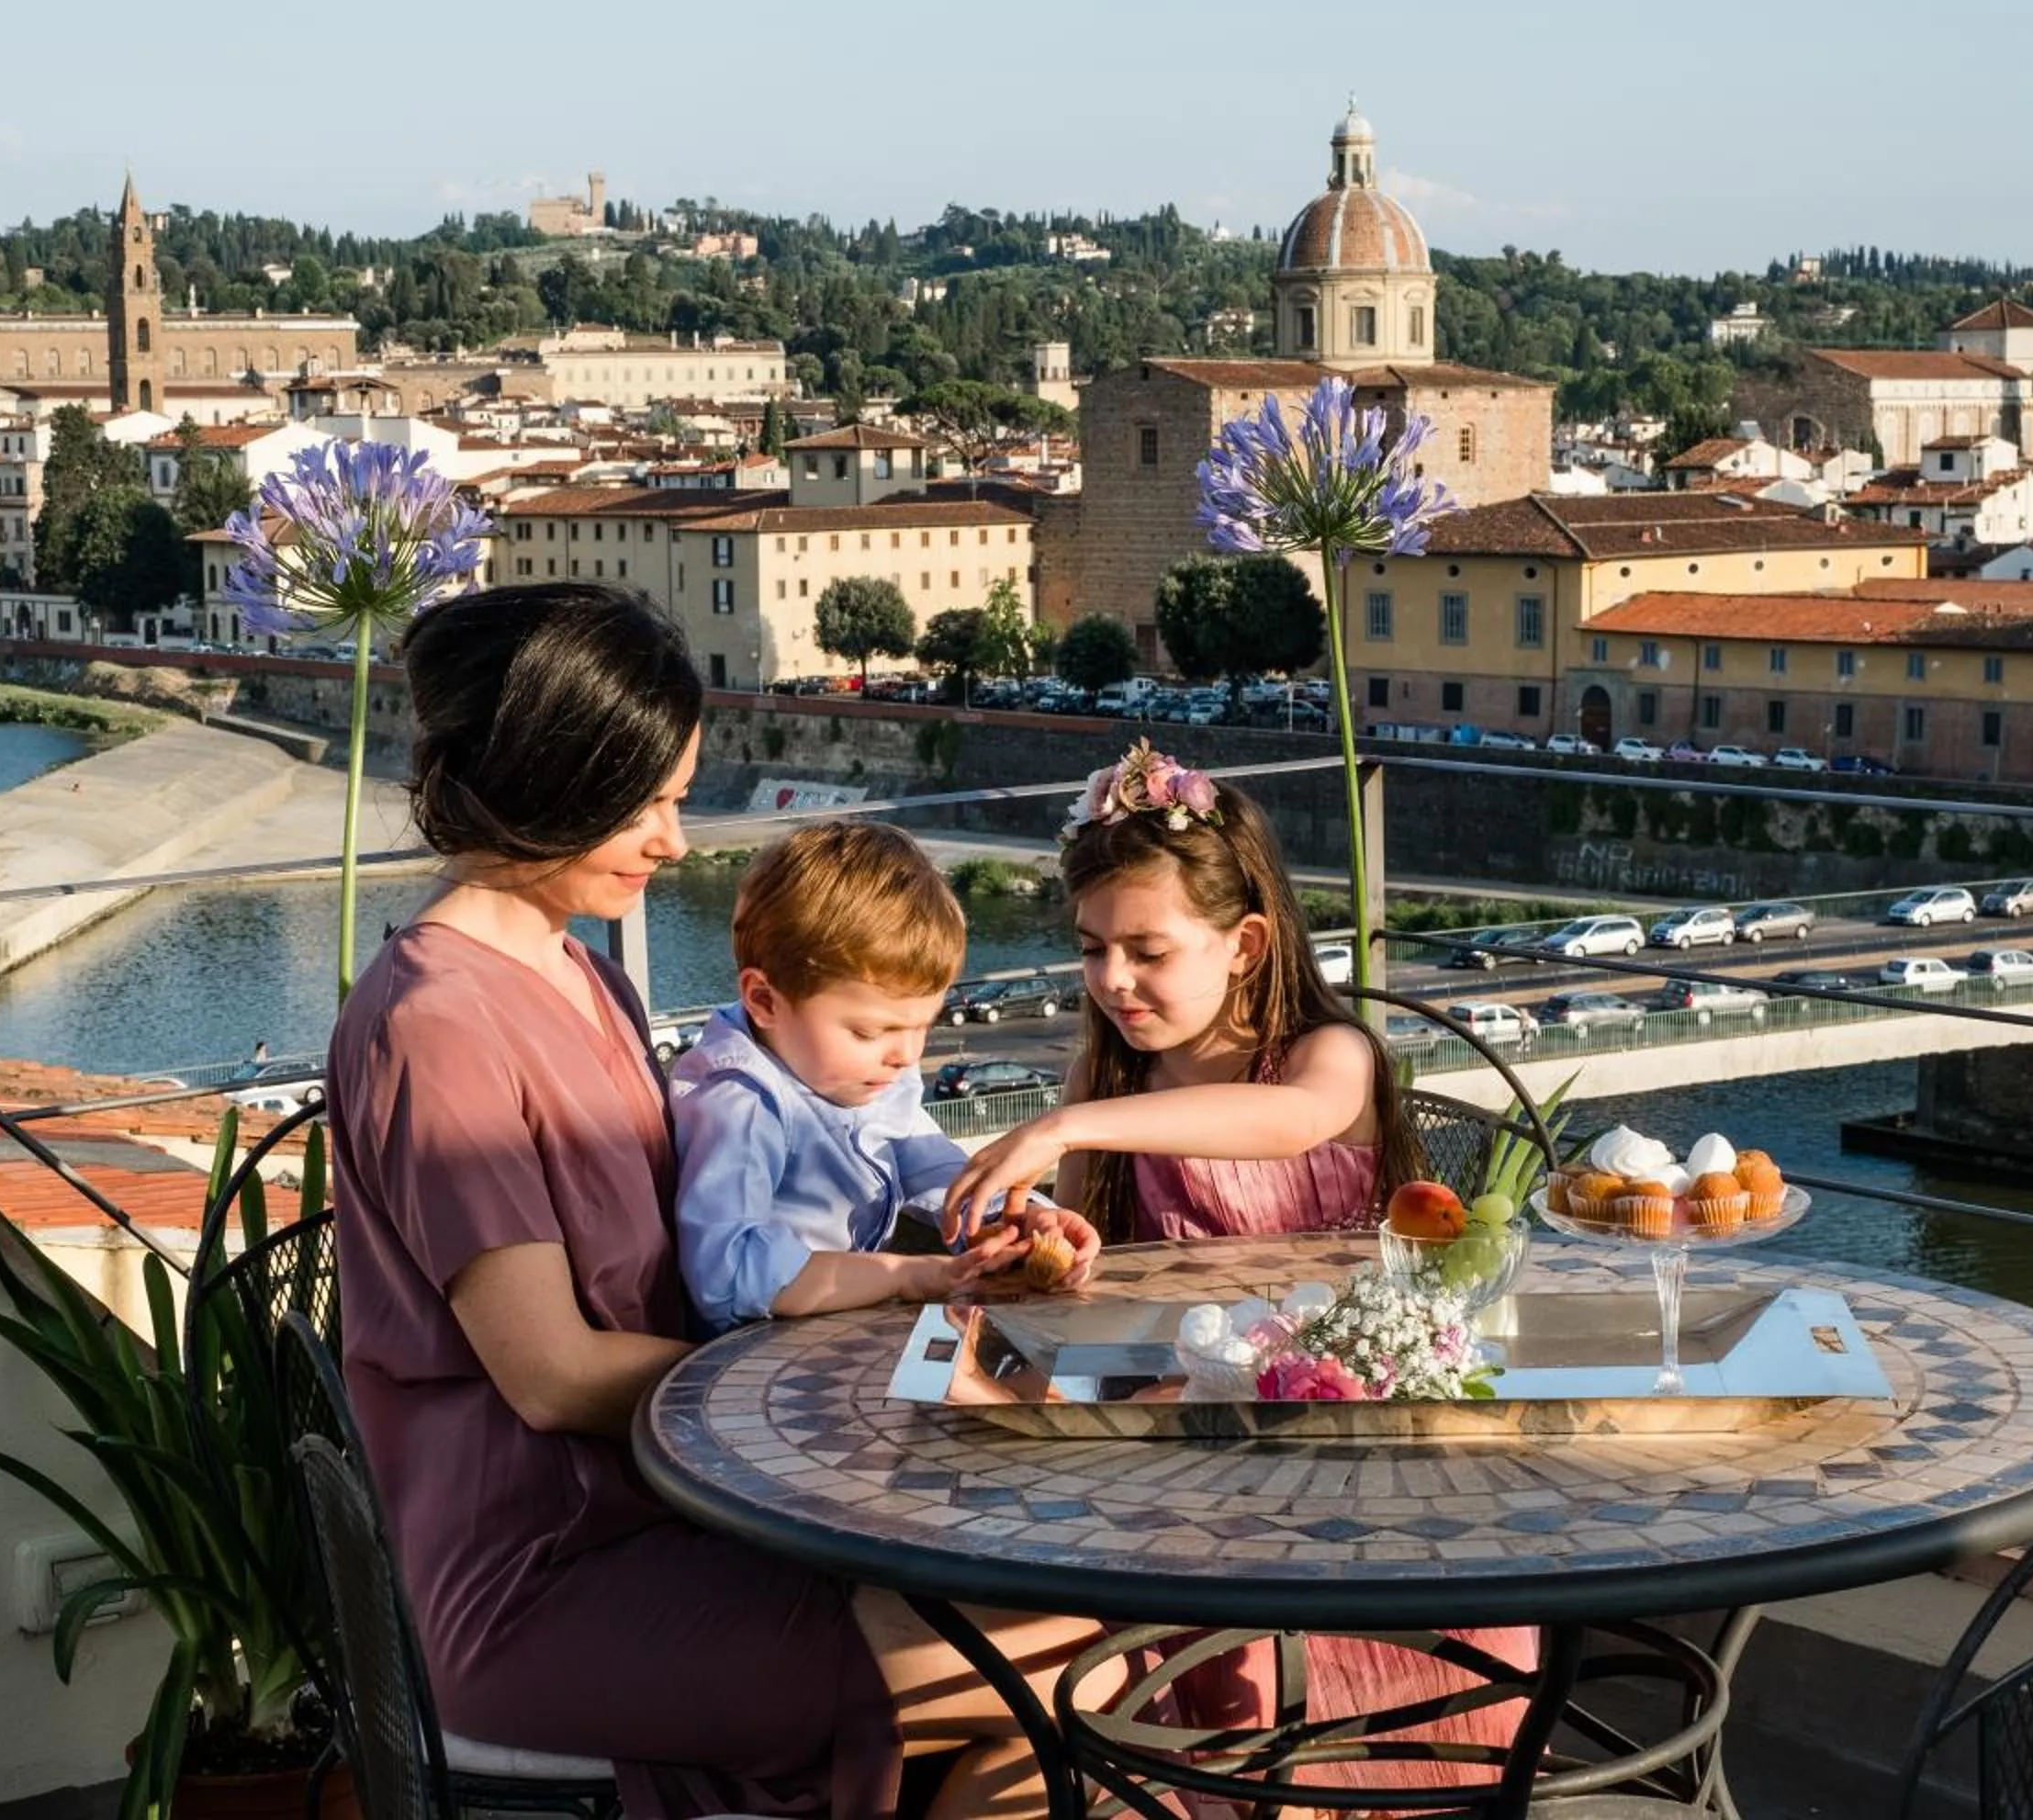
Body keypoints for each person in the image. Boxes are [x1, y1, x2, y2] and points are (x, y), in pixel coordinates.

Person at [326, 582, 1095, 1820]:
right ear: (551, 780)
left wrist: (936, 1275)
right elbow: (553, 1376)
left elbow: (710, 1258)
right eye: (650, 804)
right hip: (549, 1580)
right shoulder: (440, 1026)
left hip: (684, 1508)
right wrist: (853, 1359)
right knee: (1084, 1654)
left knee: (1075, 1643)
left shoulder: (584, 978)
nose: (676, 843)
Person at [944, 739, 1536, 1803]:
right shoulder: (1107, 1076)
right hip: (1190, 1452)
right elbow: (1083, 1284)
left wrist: (1071, 1122)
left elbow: (1290, 1121)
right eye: (1091, 948)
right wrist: (1054, 1243)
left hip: (1357, 1458)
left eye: (1147, 950)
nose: (1111, 979)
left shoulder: (1328, 1055)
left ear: (1246, 942)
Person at [668, 820, 1093, 1331]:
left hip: (832, 1331)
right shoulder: (741, 1103)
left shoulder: (863, 1072)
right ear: (764, 1001)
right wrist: (905, 1277)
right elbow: (729, 1273)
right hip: (755, 1349)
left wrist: (1015, 1218)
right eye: (869, 1032)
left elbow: (930, 1165)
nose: (905, 1054)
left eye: (923, 1026)